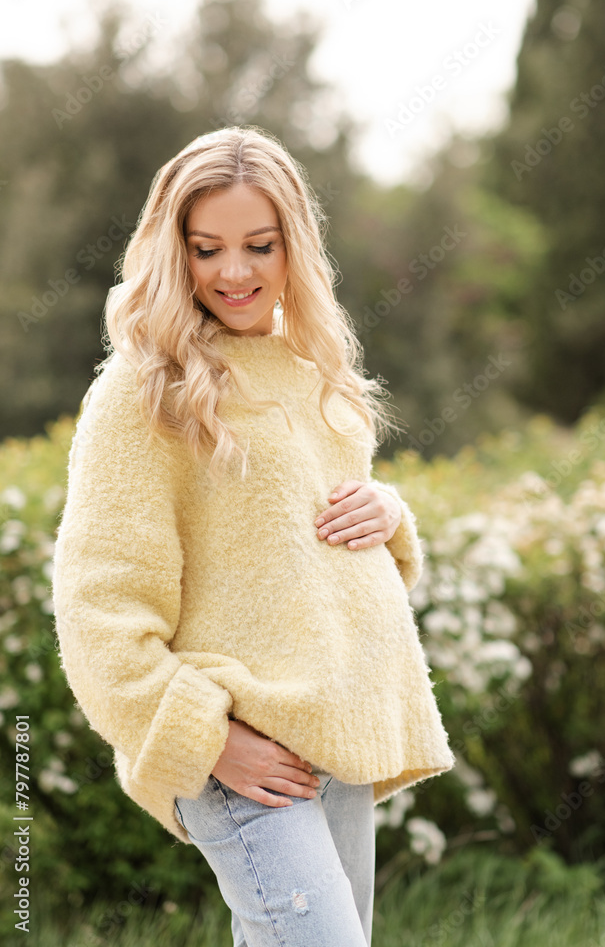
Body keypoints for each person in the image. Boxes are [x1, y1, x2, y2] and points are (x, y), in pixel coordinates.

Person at [52, 124, 455, 947]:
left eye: (258, 245)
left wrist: (388, 517)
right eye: (206, 249)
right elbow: (97, 612)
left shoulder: (312, 372)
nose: (232, 272)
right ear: (174, 250)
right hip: (239, 747)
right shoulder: (142, 390)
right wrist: (208, 740)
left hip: (333, 729)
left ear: (292, 245)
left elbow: (301, 550)